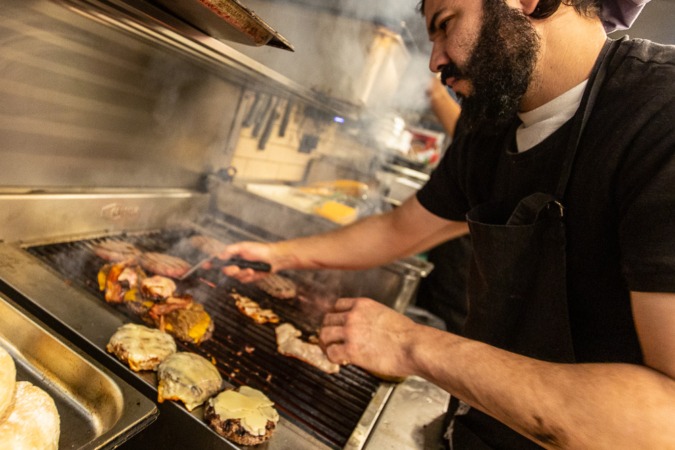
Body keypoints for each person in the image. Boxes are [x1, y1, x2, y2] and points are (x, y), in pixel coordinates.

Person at [220, 0, 675, 447]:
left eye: (445, 23)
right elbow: (402, 228)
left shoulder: (660, 112)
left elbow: (665, 419)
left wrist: (410, 345)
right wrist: (280, 255)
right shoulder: (489, 126)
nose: (435, 59)